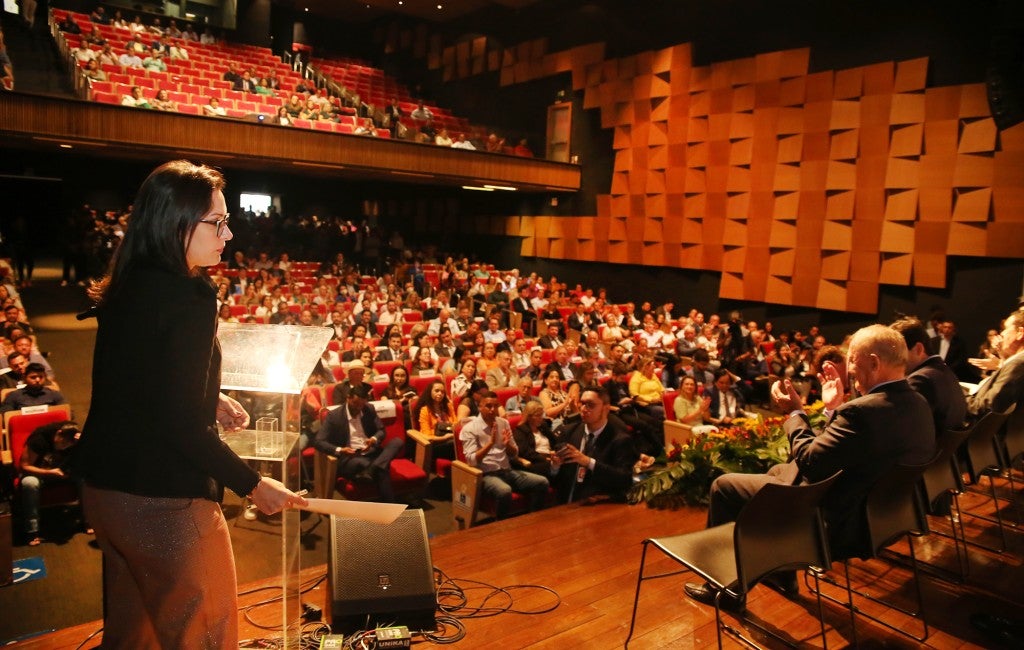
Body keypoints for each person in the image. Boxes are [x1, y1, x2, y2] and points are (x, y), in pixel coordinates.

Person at [74, 161, 306, 648]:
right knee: (206, 633)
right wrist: (252, 483)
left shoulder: (131, 278)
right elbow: (181, 427)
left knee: (133, 632)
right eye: (217, 222)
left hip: (104, 488)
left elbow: (134, 378)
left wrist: (209, 394)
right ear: (177, 222)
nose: (229, 232)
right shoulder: (188, 296)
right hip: (161, 500)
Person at [684, 324, 936, 610]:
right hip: (881, 519)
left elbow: (812, 462)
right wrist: (833, 409)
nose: (849, 370)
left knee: (724, 486)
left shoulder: (863, 412)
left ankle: (725, 590)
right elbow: (849, 452)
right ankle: (781, 573)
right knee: (779, 472)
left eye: (852, 360)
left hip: (831, 527)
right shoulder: (918, 404)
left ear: (874, 363)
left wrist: (795, 412)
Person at [459, 391, 549, 519]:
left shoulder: (503, 423)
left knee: (542, 482)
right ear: (479, 407)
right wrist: (490, 444)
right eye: (488, 406)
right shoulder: (470, 429)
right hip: (485, 475)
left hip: (507, 470)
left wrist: (507, 446)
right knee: (504, 490)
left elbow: (514, 453)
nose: (492, 410)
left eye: (495, 406)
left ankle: (532, 518)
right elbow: (471, 461)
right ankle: (502, 525)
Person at [314, 384, 404, 501]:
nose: (358, 408)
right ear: (348, 398)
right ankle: (389, 504)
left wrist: (373, 439)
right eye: (355, 404)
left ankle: (374, 468)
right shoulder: (334, 416)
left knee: (397, 442)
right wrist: (340, 450)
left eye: (362, 405)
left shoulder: (369, 409)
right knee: (380, 469)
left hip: (371, 452)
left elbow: (381, 431)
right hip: (350, 457)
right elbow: (318, 441)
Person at [552, 386, 638, 503]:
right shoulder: (568, 432)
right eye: (582, 403)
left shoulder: (620, 439)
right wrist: (555, 467)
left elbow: (624, 479)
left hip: (597, 506)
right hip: (566, 504)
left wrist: (589, 462)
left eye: (590, 405)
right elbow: (556, 479)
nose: (583, 409)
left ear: (606, 409)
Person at [891, 316, 967, 433]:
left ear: (918, 349)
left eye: (899, 353)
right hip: (947, 449)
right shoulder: (944, 371)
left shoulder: (920, 380)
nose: (895, 360)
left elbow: (901, 429)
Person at [18, 420, 83, 546]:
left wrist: (84, 442)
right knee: (29, 483)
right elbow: (24, 466)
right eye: (63, 442)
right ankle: (32, 530)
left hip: (61, 472)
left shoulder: (73, 440)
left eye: (67, 445)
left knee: (85, 477)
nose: (63, 447)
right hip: (40, 474)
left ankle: (87, 521)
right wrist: (49, 472)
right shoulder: (39, 440)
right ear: (58, 434)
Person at [967, 307, 1024, 418]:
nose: (1002, 334)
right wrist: (1002, 359)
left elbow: (986, 409)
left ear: (1020, 333)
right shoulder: (1015, 363)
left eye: (1005, 328)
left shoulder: (1017, 365)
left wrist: (959, 394)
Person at [511, 401, 555, 476]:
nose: (541, 418)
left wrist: (558, 453)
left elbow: (555, 440)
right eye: (538, 415)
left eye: (542, 415)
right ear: (529, 417)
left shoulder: (543, 426)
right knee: (547, 466)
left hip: (551, 457)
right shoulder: (521, 430)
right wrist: (546, 457)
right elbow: (526, 453)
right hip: (535, 462)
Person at [0, 362, 65, 412]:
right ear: (24, 378)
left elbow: (67, 413)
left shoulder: (54, 395)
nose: (37, 380)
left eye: (41, 377)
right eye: (33, 377)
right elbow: (5, 416)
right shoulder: (14, 396)